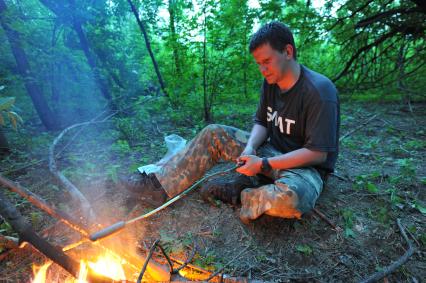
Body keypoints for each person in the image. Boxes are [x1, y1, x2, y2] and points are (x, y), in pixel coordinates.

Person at [122, 21, 340, 224]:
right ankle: (160, 186)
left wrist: (263, 164)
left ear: (288, 51)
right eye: (258, 64)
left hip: (304, 169)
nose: (262, 69)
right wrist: (250, 147)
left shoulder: (319, 91)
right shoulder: (271, 82)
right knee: (213, 132)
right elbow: (262, 122)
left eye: (266, 61)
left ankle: (241, 193)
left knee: (291, 200)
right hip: (270, 152)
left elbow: (317, 153)